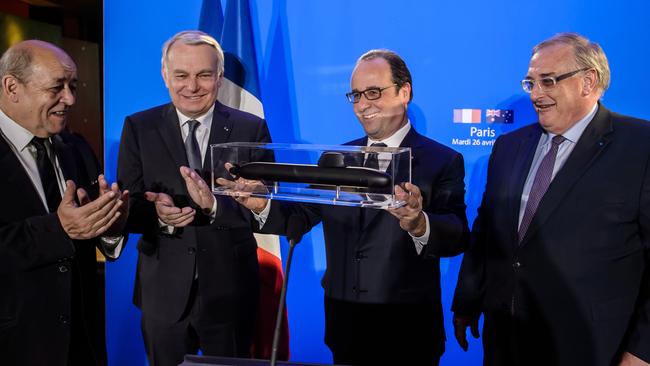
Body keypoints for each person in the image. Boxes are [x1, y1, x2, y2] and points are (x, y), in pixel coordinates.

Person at [222, 49, 469, 365]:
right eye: (355, 95)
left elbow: (457, 235)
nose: (363, 104)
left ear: (404, 92)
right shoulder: (336, 158)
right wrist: (260, 203)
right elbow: (299, 217)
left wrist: (419, 223)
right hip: (345, 326)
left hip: (408, 332)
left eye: (373, 92)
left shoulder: (442, 160)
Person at [452, 32, 650, 366]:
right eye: (531, 83)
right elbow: (487, 233)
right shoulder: (508, 147)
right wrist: (467, 301)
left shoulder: (641, 146)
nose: (536, 94)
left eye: (549, 81)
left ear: (588, 82)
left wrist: (642, 351)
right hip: (505, 339)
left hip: (592, 347)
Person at [117, 30, 273, 366]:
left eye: (203, 75)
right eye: (181, 75)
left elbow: (265, 208)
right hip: (163, 291)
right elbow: (127, 208)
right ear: (165, 76)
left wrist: (215, 207)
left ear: (219, 77)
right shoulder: (138, 127)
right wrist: (158, 215)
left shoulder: (251, 129)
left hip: (229, 288)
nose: (192, 86)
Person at [0, 40, 128, 366]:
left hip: (81, 345)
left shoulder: (75, 146)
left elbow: (90, 231)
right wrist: (58, 229)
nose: (70, 99)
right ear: (12, 87)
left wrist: (109, 222)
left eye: (72, 86)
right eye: (57, 87)